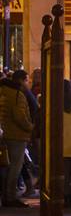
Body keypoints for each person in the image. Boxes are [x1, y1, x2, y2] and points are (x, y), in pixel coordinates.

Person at [0, 69, 34, 207]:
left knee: (7, 167)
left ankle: (6, 195)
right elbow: (19, 117)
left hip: (5, 133)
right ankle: (10, 197)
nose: (28, 83)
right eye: (26, 80)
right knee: (15, 166)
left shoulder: (3, 91)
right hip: (16, 135)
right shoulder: (17, 95)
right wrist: (31, 127)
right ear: (21, 81)